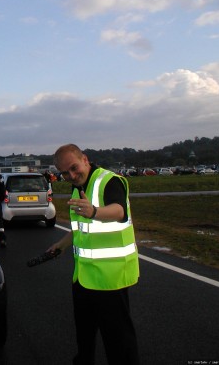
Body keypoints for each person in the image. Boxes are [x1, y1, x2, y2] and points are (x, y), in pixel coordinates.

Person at [47, 144, 139, 365]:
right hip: (84, 277)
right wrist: (61, 244)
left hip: (110, 277)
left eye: (74, 168)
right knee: (84, 334)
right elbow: (80, 228)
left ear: (85, 159)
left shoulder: (109, 180)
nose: (71, 175)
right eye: (65, 173)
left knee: (118, 340)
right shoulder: (78, 185)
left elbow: (119, 211)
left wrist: (94, 212)